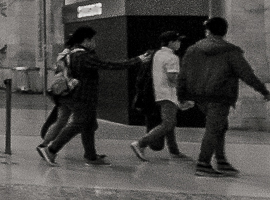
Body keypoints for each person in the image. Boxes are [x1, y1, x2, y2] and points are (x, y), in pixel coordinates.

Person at [177, 15, 270, 176]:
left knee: (220, 126)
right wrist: (264, 91)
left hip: (200, 96)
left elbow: (183, 74)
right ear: (225, 31)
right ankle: (203, 164)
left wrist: (181, 95)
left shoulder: (193, 50)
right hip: (220, 96)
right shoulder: (230, 51)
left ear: (208, 31)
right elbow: (247, 74)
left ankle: (221, 160)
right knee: (213, 129)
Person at [38, 26, 138, 166]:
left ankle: (90, 156)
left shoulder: (72, 53)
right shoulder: (83, 56)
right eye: (93, 40)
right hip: (83, 96)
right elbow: (108, 65)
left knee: (89, 125)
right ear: (86, 40)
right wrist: (136, 60)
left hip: (78, 96)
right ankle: (51, 150)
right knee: (78, 123)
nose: (94, 43)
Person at [131, 33, 192, 161]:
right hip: (169, 95)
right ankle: (140, 143)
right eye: (177, 41)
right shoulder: (172, 57)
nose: (179, 43)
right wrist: (183, 94)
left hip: (158, 94)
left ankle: (174, 151)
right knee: (167, 123)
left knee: (171, 122)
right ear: (170, 43)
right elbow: (172, 78)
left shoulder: (157, 54)